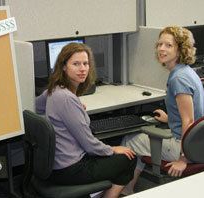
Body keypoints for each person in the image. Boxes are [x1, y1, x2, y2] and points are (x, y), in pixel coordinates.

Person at [36, 42, 137, 198]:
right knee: (129, 158)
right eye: (76, 64)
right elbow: (89, 145)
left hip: (55, 164)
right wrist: (112, 149)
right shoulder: (66, 99)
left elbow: (37, 108)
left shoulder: (54, 89)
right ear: (64, 66)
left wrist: (66, 113)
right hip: (70, 168)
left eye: (85, 63)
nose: (82, 68)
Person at [121, 26, 204, 195]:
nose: (161, 48)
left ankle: (127, 190)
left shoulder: (178, 78)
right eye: (160, 44)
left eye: (168, 45)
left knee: (130, 140)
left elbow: (189, 122)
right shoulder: (186, 71)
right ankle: (129, 188)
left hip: (187, 147)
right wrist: (170, 119)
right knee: (141, 139)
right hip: (201, 142)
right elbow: (192, 115)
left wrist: (184, 158)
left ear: (180, 49)